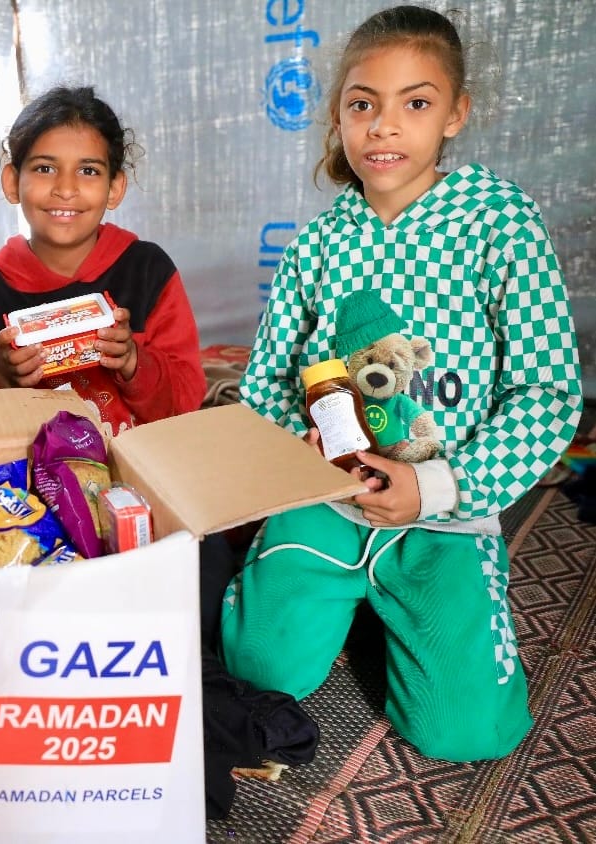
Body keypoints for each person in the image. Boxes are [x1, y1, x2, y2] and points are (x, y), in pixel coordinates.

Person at [224, 5, 583, 762]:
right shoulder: (318, 243)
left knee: (468, 732)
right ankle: (330, 587)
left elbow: (547, 394)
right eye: (363, 105)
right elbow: (264, 383)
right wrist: (297, 448)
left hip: (446, 512)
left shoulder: (499, 222)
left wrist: (438, 487)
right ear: (338, 116)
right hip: (327, 498)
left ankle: (400, 600)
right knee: (261, 671)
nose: (383, 126)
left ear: (456, 114)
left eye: (415, 103)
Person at [0, 85, 205, 436]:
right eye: (45, 168)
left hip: (144, 464)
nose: (66, 188)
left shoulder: (148, 270)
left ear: (115, 188)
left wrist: (133, 361)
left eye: (88, 171)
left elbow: (187, 401)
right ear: (12, 182)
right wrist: (7, 380)